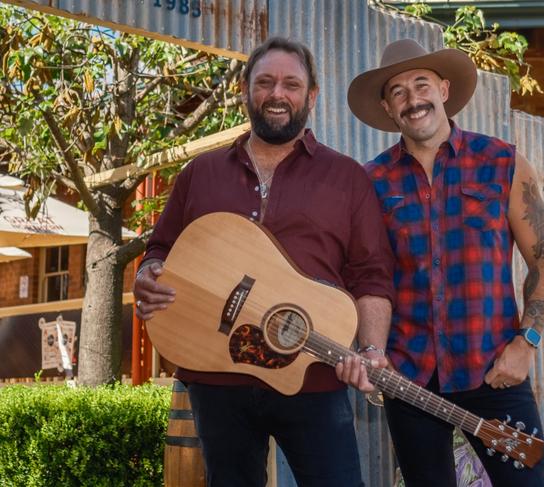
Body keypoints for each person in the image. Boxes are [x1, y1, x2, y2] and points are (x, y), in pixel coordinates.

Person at [133, 37, 394, 487]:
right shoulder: (200, 172)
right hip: (216, 375)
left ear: (311, 95)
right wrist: (147, 274)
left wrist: (370, 350)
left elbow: (371, 274)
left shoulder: (347, 177)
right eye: (265, 82)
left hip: (314, 374)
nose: (278, 93)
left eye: (291, 84)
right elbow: (161, 249)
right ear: (245, 90)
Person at [341, 39, 544, 486]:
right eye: (397, 91)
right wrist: (369, 348)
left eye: (421, 84)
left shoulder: (502, 162)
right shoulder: (370, 181)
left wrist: (528, 342)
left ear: (442, 89)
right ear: (387, 107)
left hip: (495, 368)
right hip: (411, 376)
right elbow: (364, 276)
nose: (412, 99)